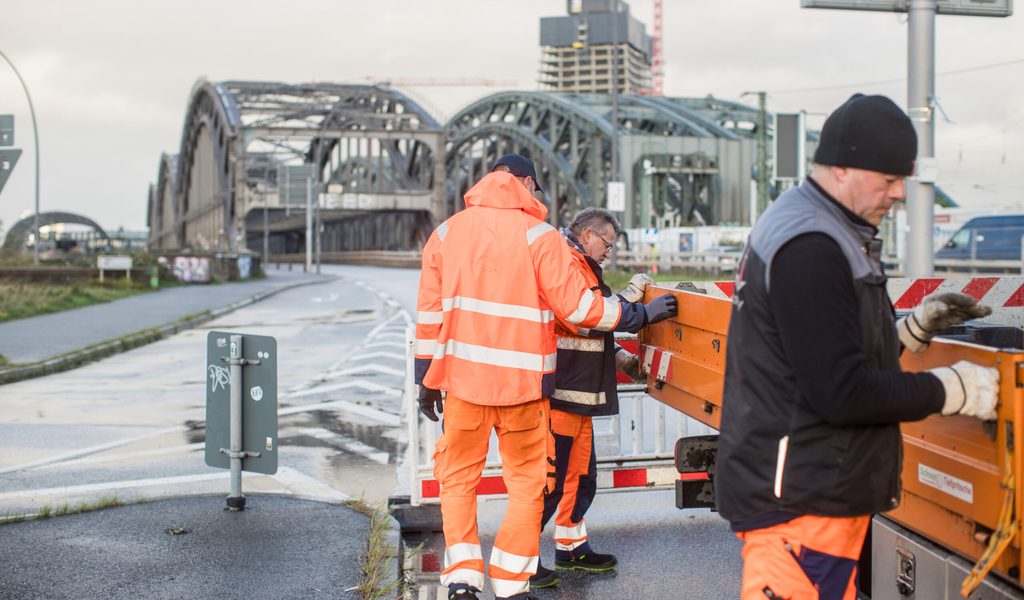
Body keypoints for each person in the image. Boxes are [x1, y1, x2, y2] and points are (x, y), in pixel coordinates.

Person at [714, 93, 1001, 600]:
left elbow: (819, 350)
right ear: (843, 168)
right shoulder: (813, 246)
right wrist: (953, 389)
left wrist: (909, 332)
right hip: (802, 503)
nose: (897, 194)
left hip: (810, 491)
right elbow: (840, 391)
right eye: (888, 180)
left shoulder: (820, 226)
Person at [415, 154, 678, 600]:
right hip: (524, 390)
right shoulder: (540, 237)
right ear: (524, 182)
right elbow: (580, 309)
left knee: (458, 482)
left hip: (462, 385)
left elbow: (428, 317)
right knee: (528, 486)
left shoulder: (445, 233)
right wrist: (637, 315)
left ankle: (462, 580)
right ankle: (513, 585)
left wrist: (425, 379)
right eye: (532, 188)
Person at [530, 208, 655, 589]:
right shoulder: (566, 263)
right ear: (587, 235)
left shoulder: (579, 262)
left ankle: (570, 548)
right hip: (562, 393)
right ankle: (524, 561)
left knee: (580, 479)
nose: (609, 253)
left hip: (577, 393)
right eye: (607, 244)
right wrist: (640, 311)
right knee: (549, 484)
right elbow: (584, 318)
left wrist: (622, 359)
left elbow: (594, 327)